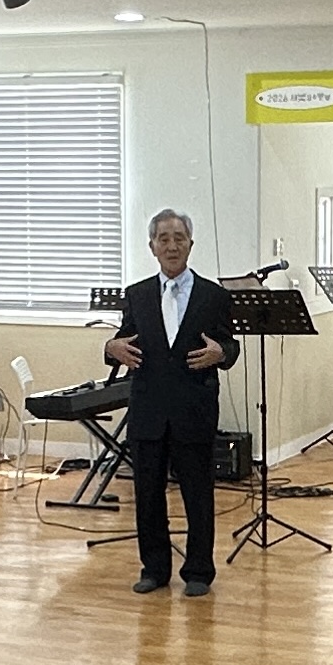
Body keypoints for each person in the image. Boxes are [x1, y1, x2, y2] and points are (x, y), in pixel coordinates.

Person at [102, 208, 236, 596]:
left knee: (198, 494)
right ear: (152, 247)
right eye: (164, 239)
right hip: (148, 409)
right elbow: (122, 342)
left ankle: (199, 572)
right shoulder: (137, 295)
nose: (172, 246)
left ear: (191, 244)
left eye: (179, 238)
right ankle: (154, 569)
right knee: (147, 494)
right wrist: (109, 348)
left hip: (194, 409)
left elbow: (229, 345)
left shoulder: (214, 296)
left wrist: (221, 354)